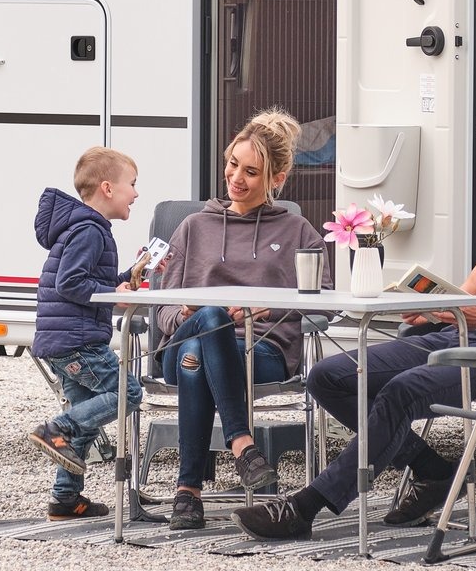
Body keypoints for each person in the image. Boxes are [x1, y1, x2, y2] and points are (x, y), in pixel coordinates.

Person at [232, 103, 476, 540]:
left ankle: (305, 507)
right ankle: (434, 470)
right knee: (329, 377)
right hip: (464, 336)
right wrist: (432, 306)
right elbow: (470, 293)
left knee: (401, 391)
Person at [151, 108, 333, 531]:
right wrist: (186, 313)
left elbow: (323, 301)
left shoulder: (296, 230)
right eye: (233, 164)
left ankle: (188, 492)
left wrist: (267, 308)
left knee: (196, 355)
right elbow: (161, 311)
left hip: (261, 351)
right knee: (208, 320)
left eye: (251, 172)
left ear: (276, 179)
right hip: (183, 343)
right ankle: (243, 445)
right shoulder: (193, 227)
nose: (235, 177)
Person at [25, 146, 147, 520]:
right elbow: (70, 282)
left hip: (64, 339)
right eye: (132, 184)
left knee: (86, 418)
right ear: (108, 188)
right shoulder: (90, 230)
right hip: (79, 341)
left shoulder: (84, 228)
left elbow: (89, 279)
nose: (136, 193)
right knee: (128, 392)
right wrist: (112, 293)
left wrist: (131, 275)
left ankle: (65, 499)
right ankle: (54, 429)